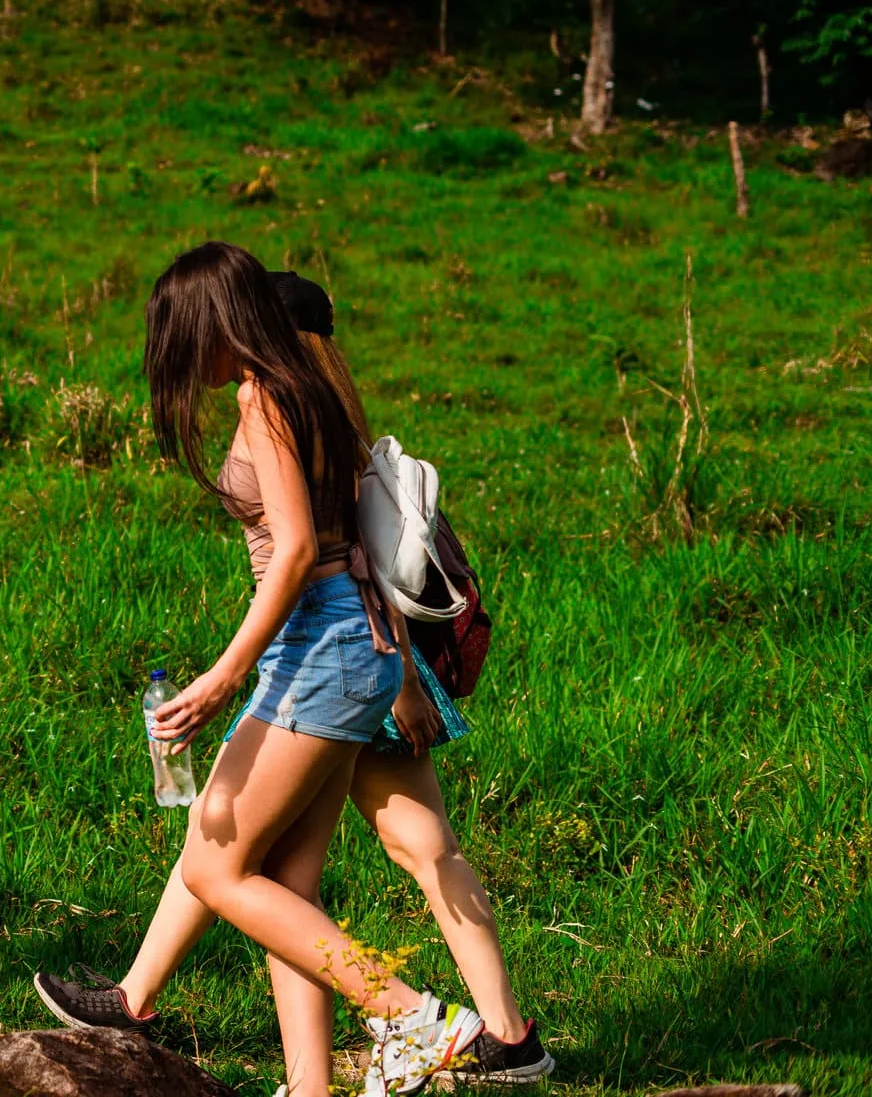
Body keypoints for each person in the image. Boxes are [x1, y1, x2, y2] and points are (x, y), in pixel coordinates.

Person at [34, 270, 553, 1087]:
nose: (174, 356)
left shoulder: (265, 397)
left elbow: (306, 553)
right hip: (348, 647)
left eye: (180, 333)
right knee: (285, 883)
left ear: (219, 323)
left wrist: (218, 677)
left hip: (323, 646)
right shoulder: (307, 390)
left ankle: (414, 1018)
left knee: (213, 865)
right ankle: (309, 1085)